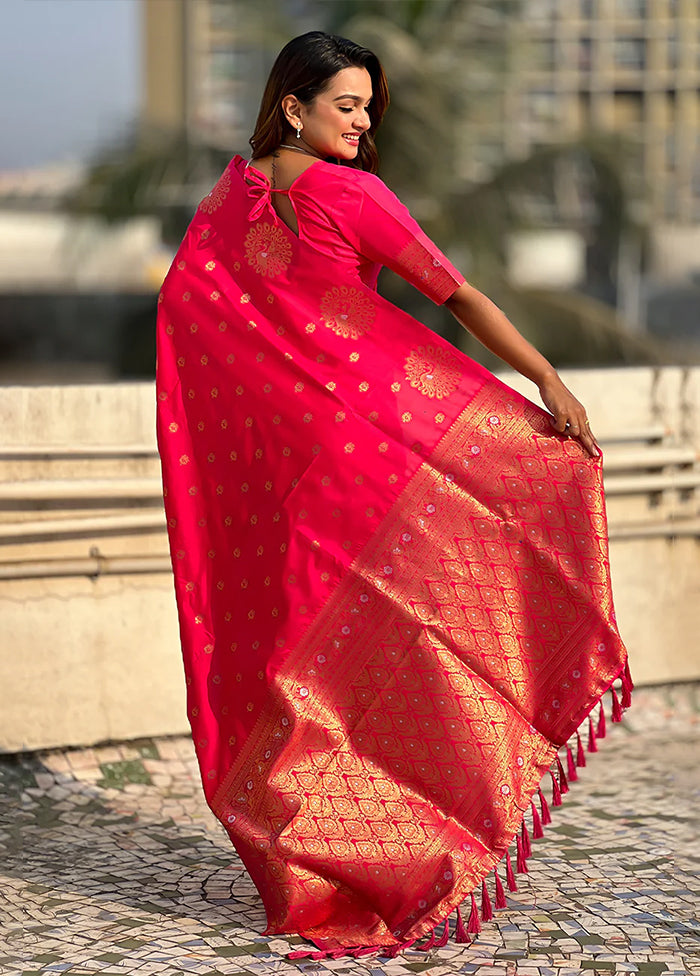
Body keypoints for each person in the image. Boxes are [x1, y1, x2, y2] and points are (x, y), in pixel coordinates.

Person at [156, 30, 631, 961]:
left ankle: (309, 872)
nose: (364, 123)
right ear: (292, 105)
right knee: (391, 646)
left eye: (370, 107)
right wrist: (547, 382)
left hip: (281, 477)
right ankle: (396, 851)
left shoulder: (224, 199)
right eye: (347, 105)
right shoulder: (351, 193)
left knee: (296, 666)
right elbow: (458, 296)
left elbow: (186, 314)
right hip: (366, 466)